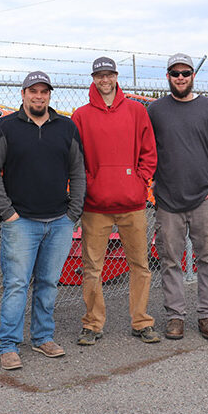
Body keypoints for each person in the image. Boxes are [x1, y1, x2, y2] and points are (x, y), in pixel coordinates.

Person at [0, 71, 86, 370]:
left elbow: (78, 170)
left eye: (44, 92)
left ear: (49, 95)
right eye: (33, 91)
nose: (38, 96)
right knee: (16, 285)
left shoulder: (66, 127)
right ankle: (9, 344)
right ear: (23, 94)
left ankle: (42, 338)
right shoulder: (5, 127)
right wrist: (8, 213)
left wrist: (73, 212)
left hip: (59, 221)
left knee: (49, 283)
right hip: (21, 222)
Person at [71, 57, 159, 346]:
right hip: (95, 207)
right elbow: (76, 159)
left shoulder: (136, 110)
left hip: (132, 204)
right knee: (92, 267)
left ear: (116, 76)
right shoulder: (81, 115)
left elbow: (149, 151)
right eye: (99, 75)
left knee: (140, 265)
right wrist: (90, 185)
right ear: (93, 78)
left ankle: (141, 321)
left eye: (109, 75)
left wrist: (139, 180)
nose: (104, 80)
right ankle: (93, 324)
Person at [147, 53, 208, 341]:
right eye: (175, 73)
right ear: (167, 76)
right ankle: (175, 317)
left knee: (207, 258)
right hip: (168, 201)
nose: (180, 77)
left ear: (193, 75)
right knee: (170, 260)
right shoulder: (155, 110)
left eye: (185, 73)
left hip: (204, 199)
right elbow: (146, 148)